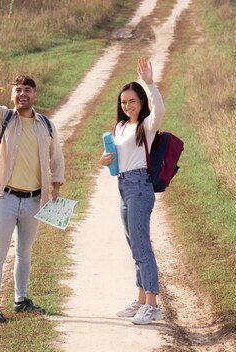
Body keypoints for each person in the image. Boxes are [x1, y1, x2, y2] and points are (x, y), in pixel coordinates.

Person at [0, 40, 65, 325]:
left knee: (25, 253)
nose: (22, 94)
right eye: (18, 90)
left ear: (35, 95)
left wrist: (56, 185)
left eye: (27, 90)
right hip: (6, 199)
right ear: (12, 94)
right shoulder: (3, 118)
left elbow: (55, 157)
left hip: (35, 200)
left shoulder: (45, 124)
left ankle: (21, 300)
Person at [99, 57, 165, 325]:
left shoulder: (145, 126)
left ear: (141, 103)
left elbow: (159, 110)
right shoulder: (120, 127)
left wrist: (150, 83)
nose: (127, 106)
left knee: (142, 245)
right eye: (124, 102)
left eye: (132, 102)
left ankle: (152, 305)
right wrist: (106, 159)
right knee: (133, 244)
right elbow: (117, 156)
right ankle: (140, 299)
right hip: (124, 185)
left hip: (140, 187)